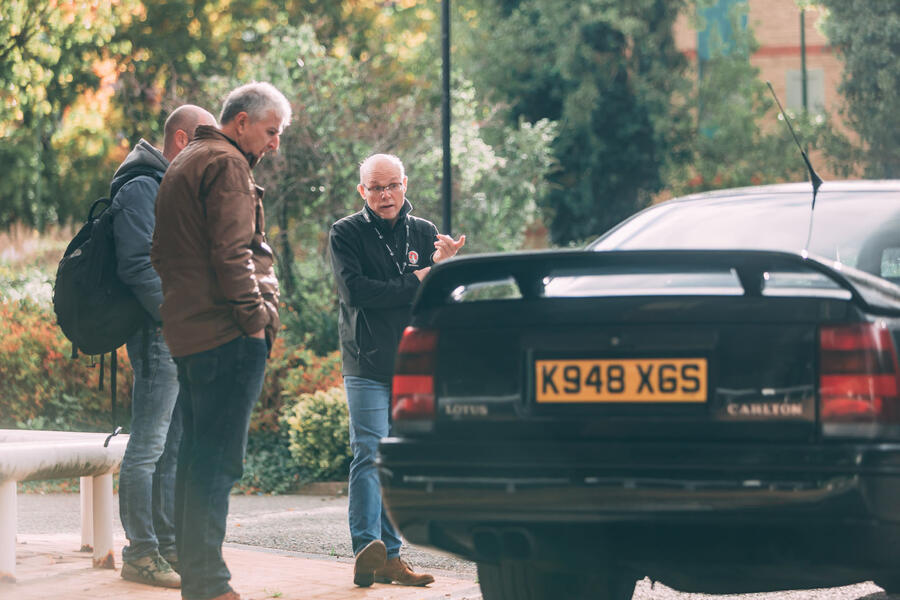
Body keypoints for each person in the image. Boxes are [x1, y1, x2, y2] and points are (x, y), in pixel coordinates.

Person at [150, 82, 290, 600]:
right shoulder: (228, 165)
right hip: (227, 334)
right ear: (241, 123)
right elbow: (233, 255)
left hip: (190, 333)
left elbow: (160, 253)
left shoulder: (184, 162)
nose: (274, 143)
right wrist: (256, 320)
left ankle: (199, 579)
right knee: (217, 460)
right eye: (271, 131)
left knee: (195, 457)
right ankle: (209, 584)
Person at [329, 153, 466, 587]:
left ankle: (391, 557)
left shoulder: (425, 232)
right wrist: (419, 279)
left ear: (405, 183)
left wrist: (445, 271)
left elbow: (438, 300)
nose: (385, 195)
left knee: (399, 460)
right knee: (369, 453)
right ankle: (366, 548)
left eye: (392, 185)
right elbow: (356, 293)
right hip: (366, 361)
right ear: (362, 191)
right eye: (376, 188)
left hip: (412, 362)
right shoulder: (345, 233)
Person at [112, 104, 217, 589]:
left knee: (173, 447)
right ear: (180, 139)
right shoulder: (140, 187)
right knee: (148, 446)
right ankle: (141, 552)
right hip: (158, 335)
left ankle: (169, 547)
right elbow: (137, 266)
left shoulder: (171, 187)